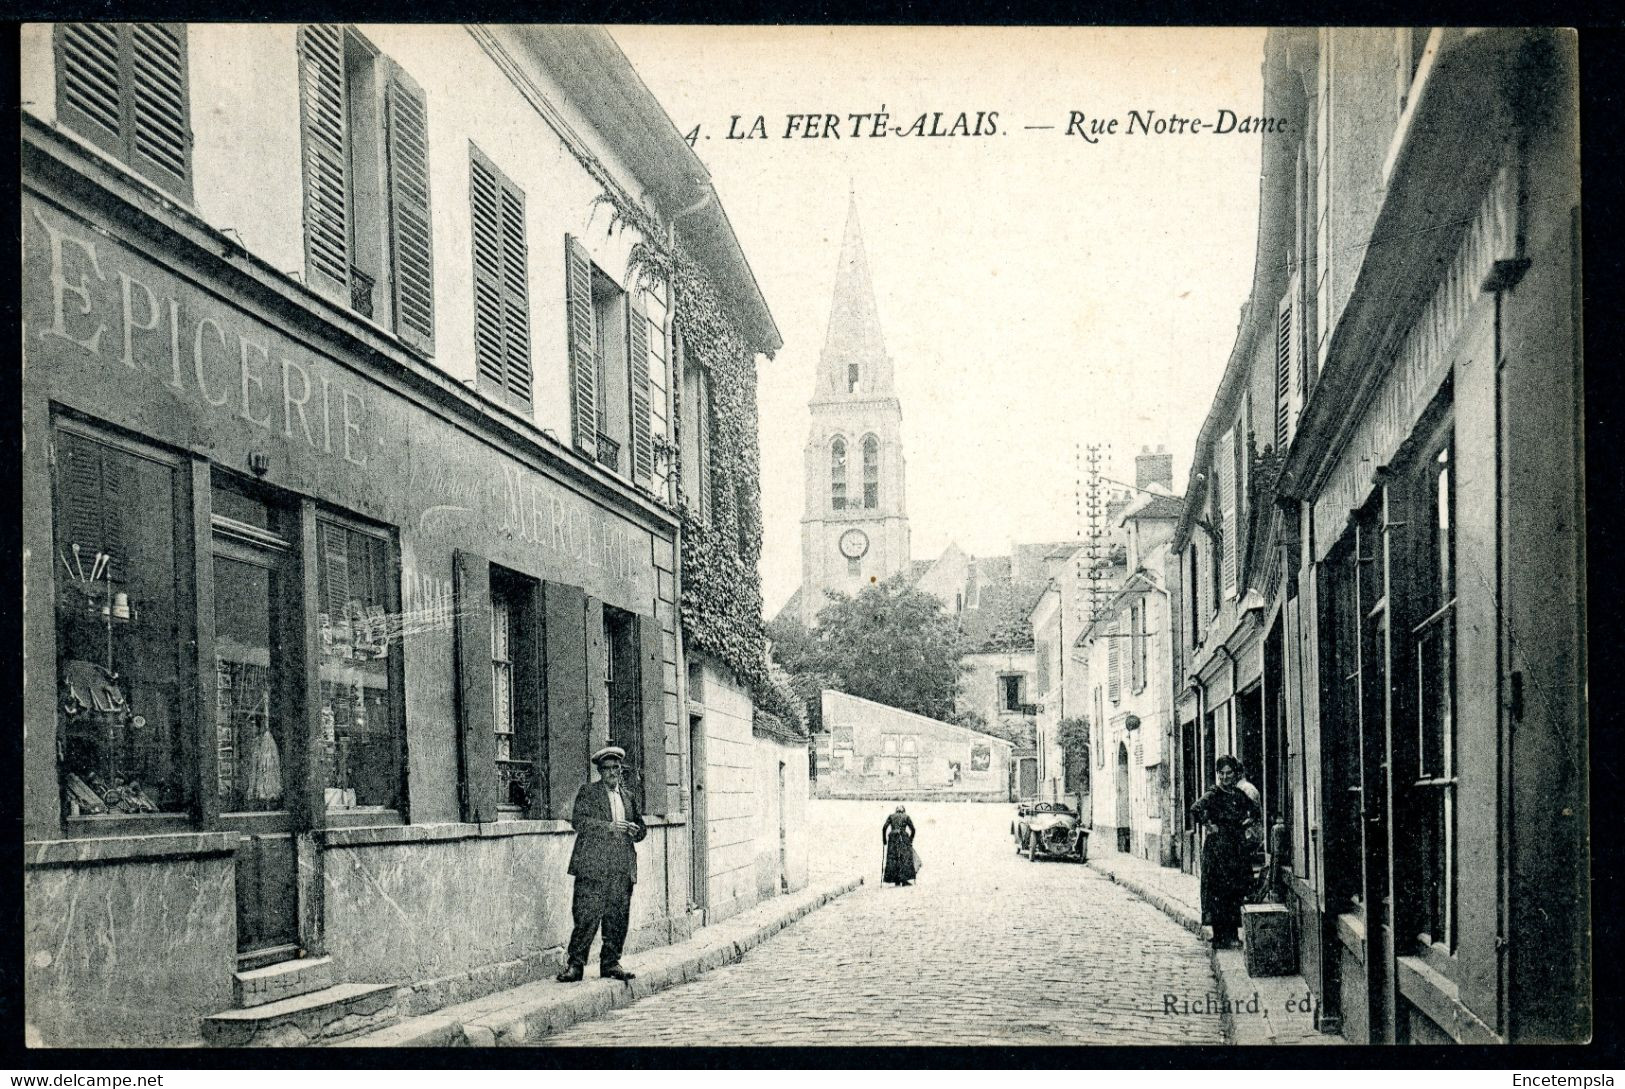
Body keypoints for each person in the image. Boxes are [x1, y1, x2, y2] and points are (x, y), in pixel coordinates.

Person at [556, 746, 646, 983]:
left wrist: (636, 831)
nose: (612, 773)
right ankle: (575, 966)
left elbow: (641, 827)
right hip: (593, 866)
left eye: (616, 768)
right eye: (607, 769)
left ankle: (611, 963)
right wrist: (608, 827)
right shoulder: (589, 792)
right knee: (586, 916)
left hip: (621, 866)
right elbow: (579, 822)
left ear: (621, 769)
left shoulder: (628, 797)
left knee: (618, 916)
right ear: (600, 771)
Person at [1189, 755, 1260, 950]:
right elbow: (1195, 809)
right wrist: (1209, 825)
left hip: (1236, 848)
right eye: (1222, 773)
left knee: (1234, 890)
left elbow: (1254, 811)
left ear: (1235, 773)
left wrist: (1243, 824)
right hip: (1217, 850)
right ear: (1218, 775)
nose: (1226, 777)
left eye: (1229, 773)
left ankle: (1233, 934)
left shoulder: (1238, 794)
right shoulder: (1214, 794)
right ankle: (1220, 936)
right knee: (1218, 891)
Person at [882, 805, 917, 886]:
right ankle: (904, 881)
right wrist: (910, 840)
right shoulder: (906, 816)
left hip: (893, 838)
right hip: (903, 838)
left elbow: (884, 828)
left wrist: (884, 840)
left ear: (896, 811)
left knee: (893, 859)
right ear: (903, 811)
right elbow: (913, 829)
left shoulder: (891, 816)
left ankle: (896, 881)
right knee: (904, 858)